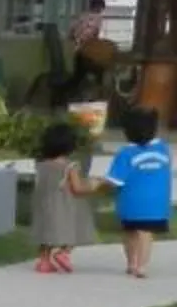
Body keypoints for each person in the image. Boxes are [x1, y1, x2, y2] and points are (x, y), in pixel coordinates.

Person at [107, 108, 173, 278]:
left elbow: (115, 180)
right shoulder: (163, 149)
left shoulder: (126, 153)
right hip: (156, 204)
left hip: (130, 203)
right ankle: (142, 266)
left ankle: (131, 263)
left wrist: (98, 184)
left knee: (130, 232)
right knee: (145, 233)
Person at [35, 122, 100, 274]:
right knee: (74, 229)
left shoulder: (42, 165)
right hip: (66, 205)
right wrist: (93, 185)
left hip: (44, 204)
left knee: (46, 232)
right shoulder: (70, 166)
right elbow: (77, 188)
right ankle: (63, 252)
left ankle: (44, 261)